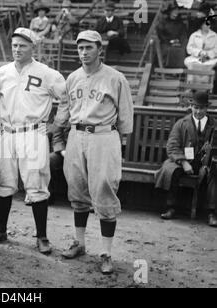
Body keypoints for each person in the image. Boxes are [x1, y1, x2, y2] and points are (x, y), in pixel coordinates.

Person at [53, 30, 133, 274]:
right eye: (80, 48)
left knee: (104, 190)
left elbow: (126, 116)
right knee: (77, 190)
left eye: (89, 47)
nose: (84, 52)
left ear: (100, 49)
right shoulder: (73, 77)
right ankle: (80, 242)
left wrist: (118, 143)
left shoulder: (115, 78)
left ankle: (106, 253)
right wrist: (58, 138)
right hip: (77, 135)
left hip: (103, 135)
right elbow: (64, 111)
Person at [0, 28, 67, 254]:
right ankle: (1, 230)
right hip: (5, 131)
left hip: (32, 132)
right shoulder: (0, 73)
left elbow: (66, 99)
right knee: (3, 181)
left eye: (23, 45)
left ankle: (42, 237)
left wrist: (57, 124)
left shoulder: (47, 73)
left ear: (33, 47)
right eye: (15, 45)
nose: (17, 49)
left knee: (37, 183)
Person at [155, 91, 217, 227]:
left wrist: (209, 159)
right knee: (171, 170)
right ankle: (171, 207)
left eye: (201, 108)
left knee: (214, 171)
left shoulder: (214, 125)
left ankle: (212, 213)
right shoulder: (181, 123)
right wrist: (183, 162)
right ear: (191, 107)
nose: (198, 111)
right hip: (184, 161)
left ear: (207, 108)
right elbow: (172, 146)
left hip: (204, 163)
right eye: (195, 107)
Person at [184, 16, 217, 82]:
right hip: (196, 57)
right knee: (191, 64)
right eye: (205, 24)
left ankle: (206, 87)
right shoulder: (194, 35)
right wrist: (199, 52)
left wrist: (208, 54)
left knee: (208, 64)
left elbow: (216, 49)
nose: (207, 26)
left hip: (210, 58)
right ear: (201, 25)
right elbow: (189, 49)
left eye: (209, 24)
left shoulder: (215, 35)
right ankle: (191, 85)